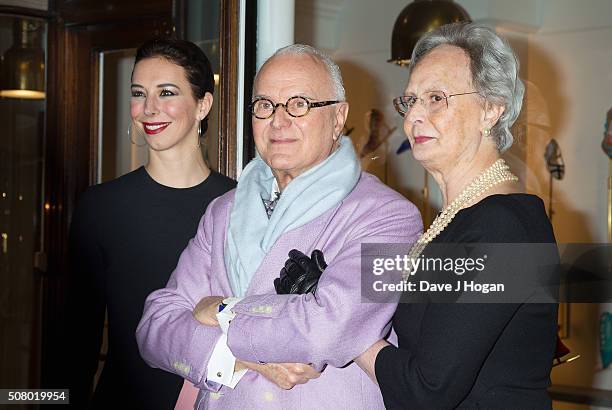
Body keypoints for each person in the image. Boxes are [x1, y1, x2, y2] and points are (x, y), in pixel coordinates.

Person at [136, 44, 422, 409]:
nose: (278, 120)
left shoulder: (391, 218)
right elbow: (154, 326)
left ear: (338, 117)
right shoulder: (223, 211)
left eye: (300, 103)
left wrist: (222, 309)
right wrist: (234, 358)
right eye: (265, 105)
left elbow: (327, 332)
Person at [353, 22, 559, 409]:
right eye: (410, 100)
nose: (414, 116)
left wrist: (345, 333)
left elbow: (426, 390)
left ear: (491, 109)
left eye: (435, 97)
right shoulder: (456, 221)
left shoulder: (503, 226)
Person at [65, 38, 235, 409]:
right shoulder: (102, 206)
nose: (149, 109)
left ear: (203, 104)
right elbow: (74, 345)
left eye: (167, 92)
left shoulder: (239, 205)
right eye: (139, 93)